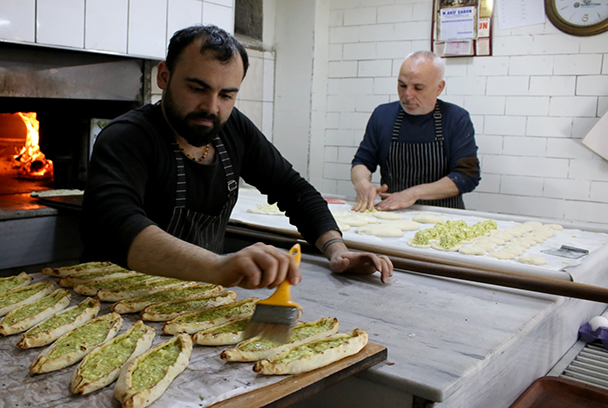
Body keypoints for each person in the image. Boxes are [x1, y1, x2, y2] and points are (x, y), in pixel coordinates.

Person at [81, 25, 393, 290]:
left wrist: (337, 251)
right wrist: (219, 266)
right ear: (164, 75)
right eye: (197, 88)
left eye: (226, 95)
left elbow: (292, 189)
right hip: (118, 297)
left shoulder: (232, 129)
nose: (211, 107)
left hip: (195, 298)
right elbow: (116, 226)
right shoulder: (127, 137)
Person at [350, 50, 480, 212]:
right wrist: (361, 182)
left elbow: (466, 176)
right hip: (392, 213)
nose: (407, 95)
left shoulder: (456, 118)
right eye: (402, 85)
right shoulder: (382, 115)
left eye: (418, 88)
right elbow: (362, 161)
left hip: (443, 215)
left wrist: (414, 193)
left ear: (439, 88)